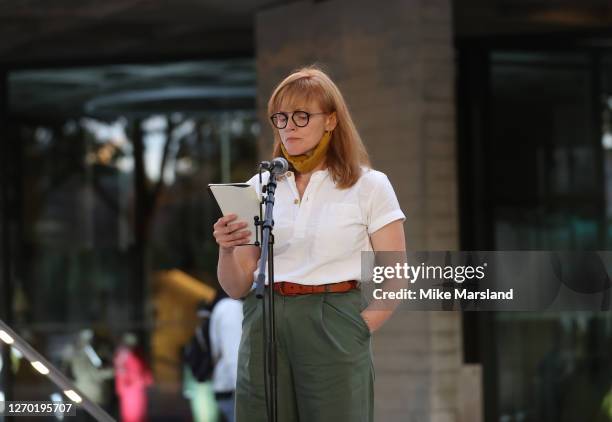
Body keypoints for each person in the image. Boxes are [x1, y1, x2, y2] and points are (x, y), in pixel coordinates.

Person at [212, 65, 406, 422]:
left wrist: (360, 326)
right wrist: (226, 249)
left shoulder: (369, 185)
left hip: (333, 316)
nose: (289, 127)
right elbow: (237, 284)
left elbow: (397, 273)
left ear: (330, 120)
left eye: (302, 116)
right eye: (281, 117)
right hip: (265, 317)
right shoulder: (260, 185)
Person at [208, 291, 243, 422]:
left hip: (231, 388)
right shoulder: (230, 307)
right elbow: (233, 353)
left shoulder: (229, 306)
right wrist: (242, 391)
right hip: (233, 389)